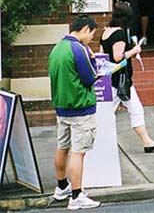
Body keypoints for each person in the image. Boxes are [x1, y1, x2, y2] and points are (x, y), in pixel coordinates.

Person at [100, 2, 154, 153]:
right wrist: (134, 50)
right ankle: (146, 142)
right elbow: (118, 57)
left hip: (111, 79)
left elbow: (103, 54)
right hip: (121, 80)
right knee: (133, 110)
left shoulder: (106, 32)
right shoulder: (119, 34)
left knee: (120, 110)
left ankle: (147, 141)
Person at [48, 16, 100, 210]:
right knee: (78, 153)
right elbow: (90, 78)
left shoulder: (57, 48)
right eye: (92, 35)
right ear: (86, 29)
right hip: (81, 107)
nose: (91, 40)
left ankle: (62, 187)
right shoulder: (79, 49)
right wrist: (93, 60)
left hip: (62, 108)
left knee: (62, 147)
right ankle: (77, 195)